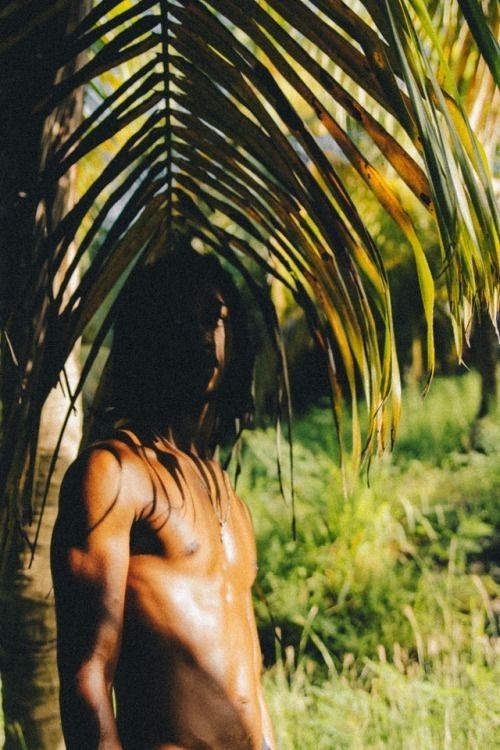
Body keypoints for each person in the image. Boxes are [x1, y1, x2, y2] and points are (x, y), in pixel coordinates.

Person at [51, 245, 275, 750]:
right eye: (182, 320)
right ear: (151, 337)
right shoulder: (114, 473)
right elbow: (88, 675)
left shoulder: (227, 496)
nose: (203, 336)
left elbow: (251, 688)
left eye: (214, 318)